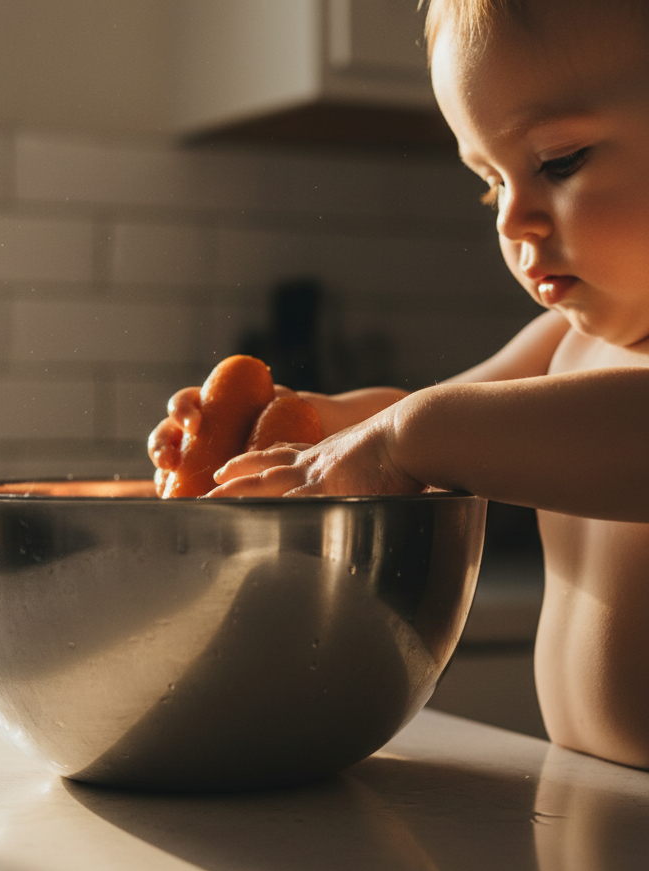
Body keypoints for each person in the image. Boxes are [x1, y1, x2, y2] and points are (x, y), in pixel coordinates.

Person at [148, 0, 649, 771]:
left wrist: (404, 438)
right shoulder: (566, 343)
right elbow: (425, 420)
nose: (512, 220)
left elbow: (433, 432)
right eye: (490, 182)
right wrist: (302, 426)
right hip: (587, 792)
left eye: (559, 161)